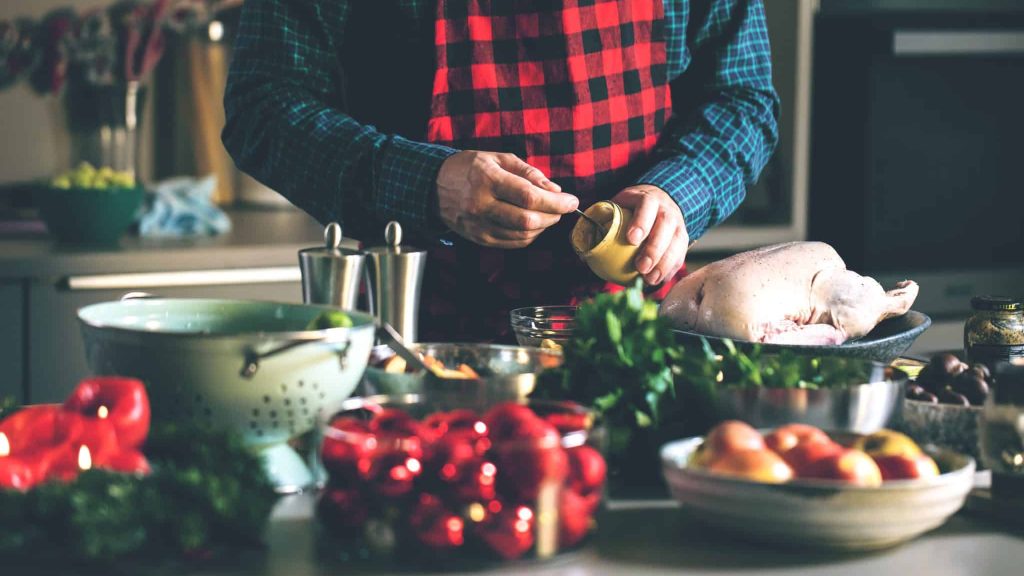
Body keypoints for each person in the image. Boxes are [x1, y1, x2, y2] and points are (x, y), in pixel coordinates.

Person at [223, 0, 779, 342]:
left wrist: (676, 193)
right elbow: (263, 105)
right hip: (411, 338)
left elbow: (742, 96)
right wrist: (423, 184)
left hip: (632, 337)